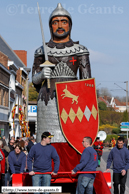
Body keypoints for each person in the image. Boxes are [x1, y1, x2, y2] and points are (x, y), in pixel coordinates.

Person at [32, 3, 92, 143]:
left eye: (63, 22)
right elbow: (34, 80)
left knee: (71, 140)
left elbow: (86, 83)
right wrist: (41, 75)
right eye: (55, 22)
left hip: (72, 100)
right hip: (47, 99)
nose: (60, 26)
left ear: (69, 25)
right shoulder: (41, 51)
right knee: (47, 142)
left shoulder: (80, 50)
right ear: (50, 26)